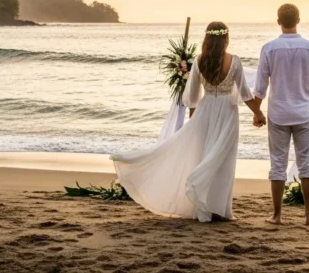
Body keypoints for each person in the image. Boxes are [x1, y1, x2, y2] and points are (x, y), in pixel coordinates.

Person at [111, 22, 266, 222]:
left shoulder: (200, 61)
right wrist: (258, 113)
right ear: (225, 38)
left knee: (204, 155)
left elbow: (193, 96)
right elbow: (245, 93)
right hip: (227, 113)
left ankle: (206, 207)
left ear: (207, 38)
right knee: (223, 160)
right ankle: (219, 209)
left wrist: (195, 121)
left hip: (205, 111)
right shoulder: (234, 61)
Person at [253, 3, 309, 226]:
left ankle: (276, 215)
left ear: (278, 21)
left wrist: (257, 112)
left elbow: (260, 87)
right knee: (306, 164)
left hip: (278, 114)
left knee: (277, 164)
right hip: (304, 113)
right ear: (298, 20)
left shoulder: (269, 48)